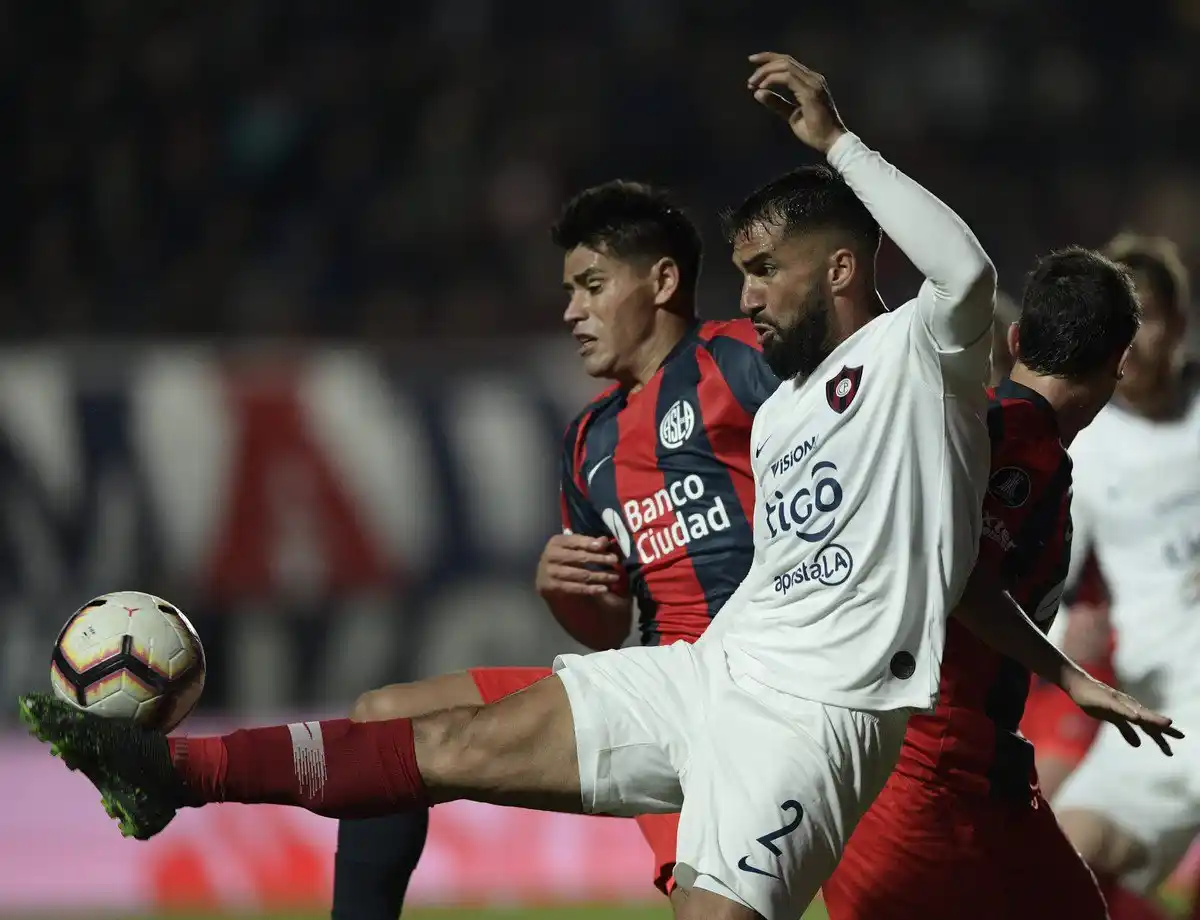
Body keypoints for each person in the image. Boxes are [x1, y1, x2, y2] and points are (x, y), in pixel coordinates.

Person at [14, 55, 1175, 920]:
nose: (748, 292)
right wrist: (1066, 667)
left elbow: (966, 266)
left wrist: (839, 142)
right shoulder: (778, 420)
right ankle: (171, 771)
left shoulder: (925, 356)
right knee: (445, 739)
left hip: (819, 723)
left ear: (837, 265)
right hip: (711, 672)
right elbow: (952, 575)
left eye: (764, 270)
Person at [331, 178, 780, 920]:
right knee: (380, 721)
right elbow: (606, 625)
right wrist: (569, 594)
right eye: (570, 291)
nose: (571, 311)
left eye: (592, 286)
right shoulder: (589, 442)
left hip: (760, 688)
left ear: (663, 280)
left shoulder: (739, 362)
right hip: (653, 691)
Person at [822, 246, 1152, 920]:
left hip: (978, 771)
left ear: (1015, 339)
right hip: (922, 767)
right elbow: (960, 578)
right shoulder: (1015, 444)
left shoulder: (1001, 434)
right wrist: (1071, 677)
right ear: (1117, 369)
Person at [1043, 233, 1200, 919]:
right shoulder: (1088, 447)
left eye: (1148, 323)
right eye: (1120, 331)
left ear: (1181, 323)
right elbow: (1047, 586)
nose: (1133, 348)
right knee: (1062, 860)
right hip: (1159, 703)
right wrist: (1060, 636)